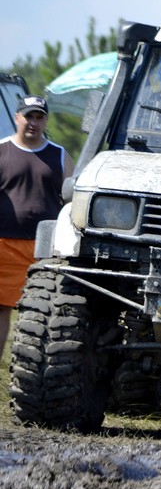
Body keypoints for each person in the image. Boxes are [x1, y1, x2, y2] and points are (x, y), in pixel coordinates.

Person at [0, 95, 74, 347]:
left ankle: (30, 365)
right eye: (28, 116)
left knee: (42, 313)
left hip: (45, 250)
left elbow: (71, 203)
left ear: (45, 120)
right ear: (17, 117)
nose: (33, 122)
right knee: (1, 310)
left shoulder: (60, 155)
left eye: (39, 117)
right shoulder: (2, 150)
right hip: (4, 246)